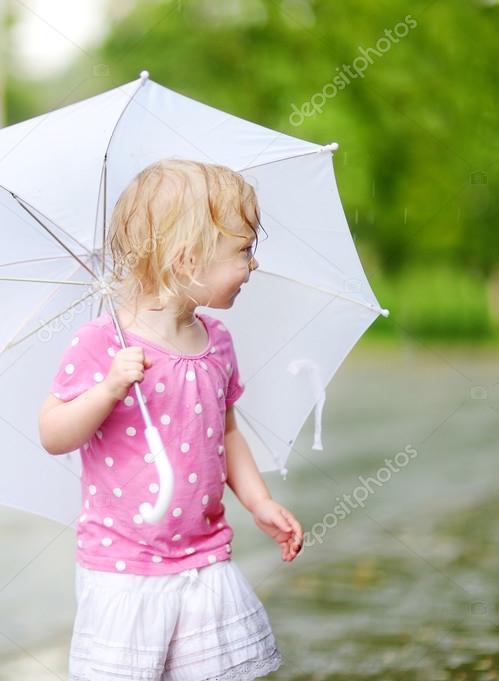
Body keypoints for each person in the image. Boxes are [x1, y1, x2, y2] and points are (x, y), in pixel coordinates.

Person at [39, 159, 303, 681]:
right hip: (125, 568)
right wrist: (109, 388)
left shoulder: (217, 342)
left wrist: (258, 500)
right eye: (243, 252)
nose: (253, 266)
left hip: (203, 557)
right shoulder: (103, 344)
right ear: (187, 261)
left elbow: (226, 433)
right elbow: (53, 432)